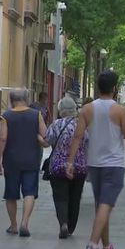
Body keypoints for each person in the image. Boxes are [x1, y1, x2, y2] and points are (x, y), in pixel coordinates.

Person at [67, 70, 125, 249]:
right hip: (114, 165)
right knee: (106, 204)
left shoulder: (86, 110)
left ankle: (106, 246)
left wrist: (70, 161)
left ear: (99, 87)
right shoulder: (120, 111)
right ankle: (93, 245)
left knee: (102, 204)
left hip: (94, 165)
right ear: (115, 88)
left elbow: (77, 136)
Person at [0, 89, 47, 237]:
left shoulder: (6, 116)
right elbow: (45, 135)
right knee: (29, 191)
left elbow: (3, 138)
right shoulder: (36, 114)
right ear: (26, 99)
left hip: (11, 160)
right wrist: (38, 137)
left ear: (12, 100)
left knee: (11, 193)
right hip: (32, 159)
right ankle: (25, 222)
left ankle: (13, 225)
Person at [43, 97, 88, 239]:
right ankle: (70, 227)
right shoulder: (81, 125)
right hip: (79, 166)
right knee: (75, 198)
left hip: (57, 167)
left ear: (61, 110)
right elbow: (88, 142)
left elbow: (47, 141)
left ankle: (63, 223)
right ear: (74, 109)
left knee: (60, 197)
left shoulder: (56, 125)